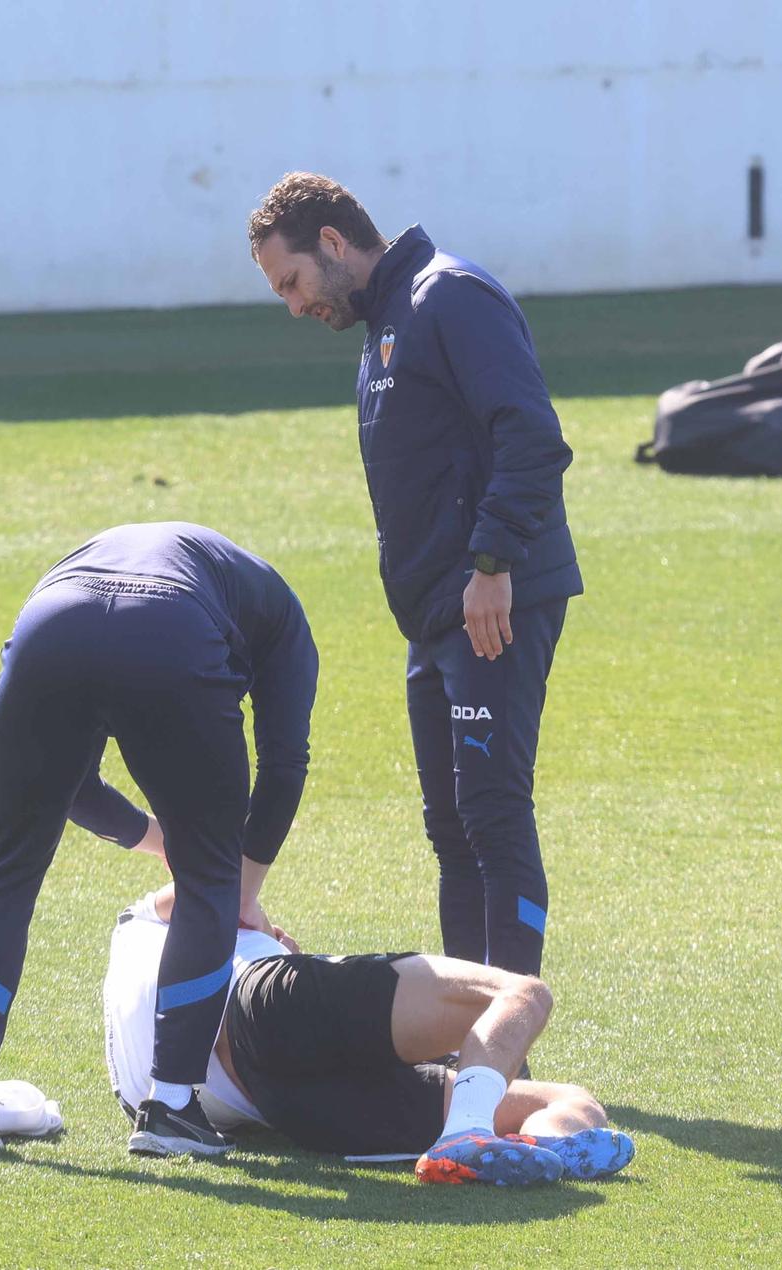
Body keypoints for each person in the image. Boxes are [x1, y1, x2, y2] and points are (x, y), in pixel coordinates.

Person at [247, 173, 582, 978]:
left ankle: (503, 1040)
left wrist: (492, 565)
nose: (293, 305)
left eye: (291, 281)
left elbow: (531, 436)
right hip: (434, 620)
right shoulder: (385, 327)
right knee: (453, 829)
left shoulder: (450, 296)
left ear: (332, 242)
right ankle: (472, 1030)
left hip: (492, 601)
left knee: (493, 816)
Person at [0, 522, 318, 1158]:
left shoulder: (196, 577)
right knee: (208, 881)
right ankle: (170, 1107)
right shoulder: (284, 621)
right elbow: (284, 767)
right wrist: (235, 889)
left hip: (52, 616)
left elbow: (72, 788)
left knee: (5, 870)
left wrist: (159, 840)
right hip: (169, 624)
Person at [104, 885, 634, 1185]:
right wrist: (267, 932)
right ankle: (476, 1132)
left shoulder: (134, 1065)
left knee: (569, 1100)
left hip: (267, 1104)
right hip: (263, 1016)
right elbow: (219, 877)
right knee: (522, 995)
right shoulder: (150, 917)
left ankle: (542, 1147)